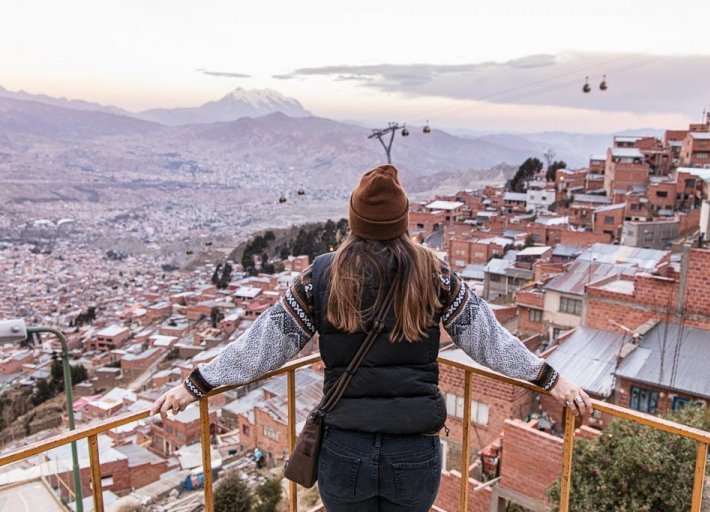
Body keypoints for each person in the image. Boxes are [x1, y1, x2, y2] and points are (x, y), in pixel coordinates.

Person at [150, 164, 593, 511]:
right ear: (403, 220)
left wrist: (196, 385)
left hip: (345, 449)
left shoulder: (321, 275)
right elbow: (490, 342)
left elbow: (264, 346)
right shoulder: (434, 274)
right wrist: (552, 380)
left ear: (354, 220)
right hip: (413, 451)